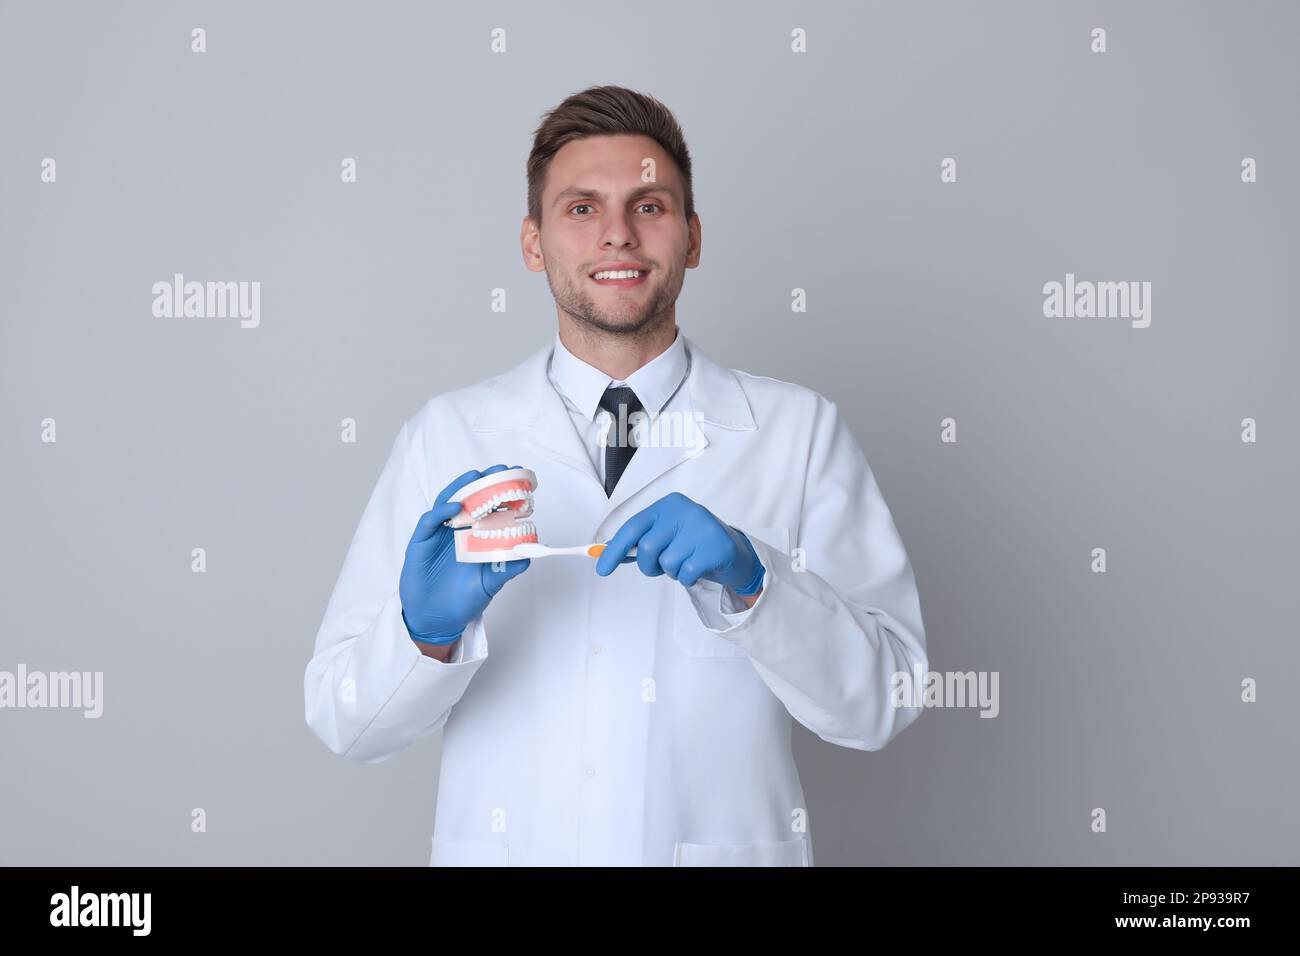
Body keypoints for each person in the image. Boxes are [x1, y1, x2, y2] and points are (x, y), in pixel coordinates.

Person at [303, 85, 928, 867]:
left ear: (692, 237)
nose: (618, 236)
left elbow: (885, 702)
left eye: (650, 205)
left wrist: (757, 583)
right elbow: (345, 721)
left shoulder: (797, 434)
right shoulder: (449, 435)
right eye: (580, 209)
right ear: (533, 243)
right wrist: (422, 637)